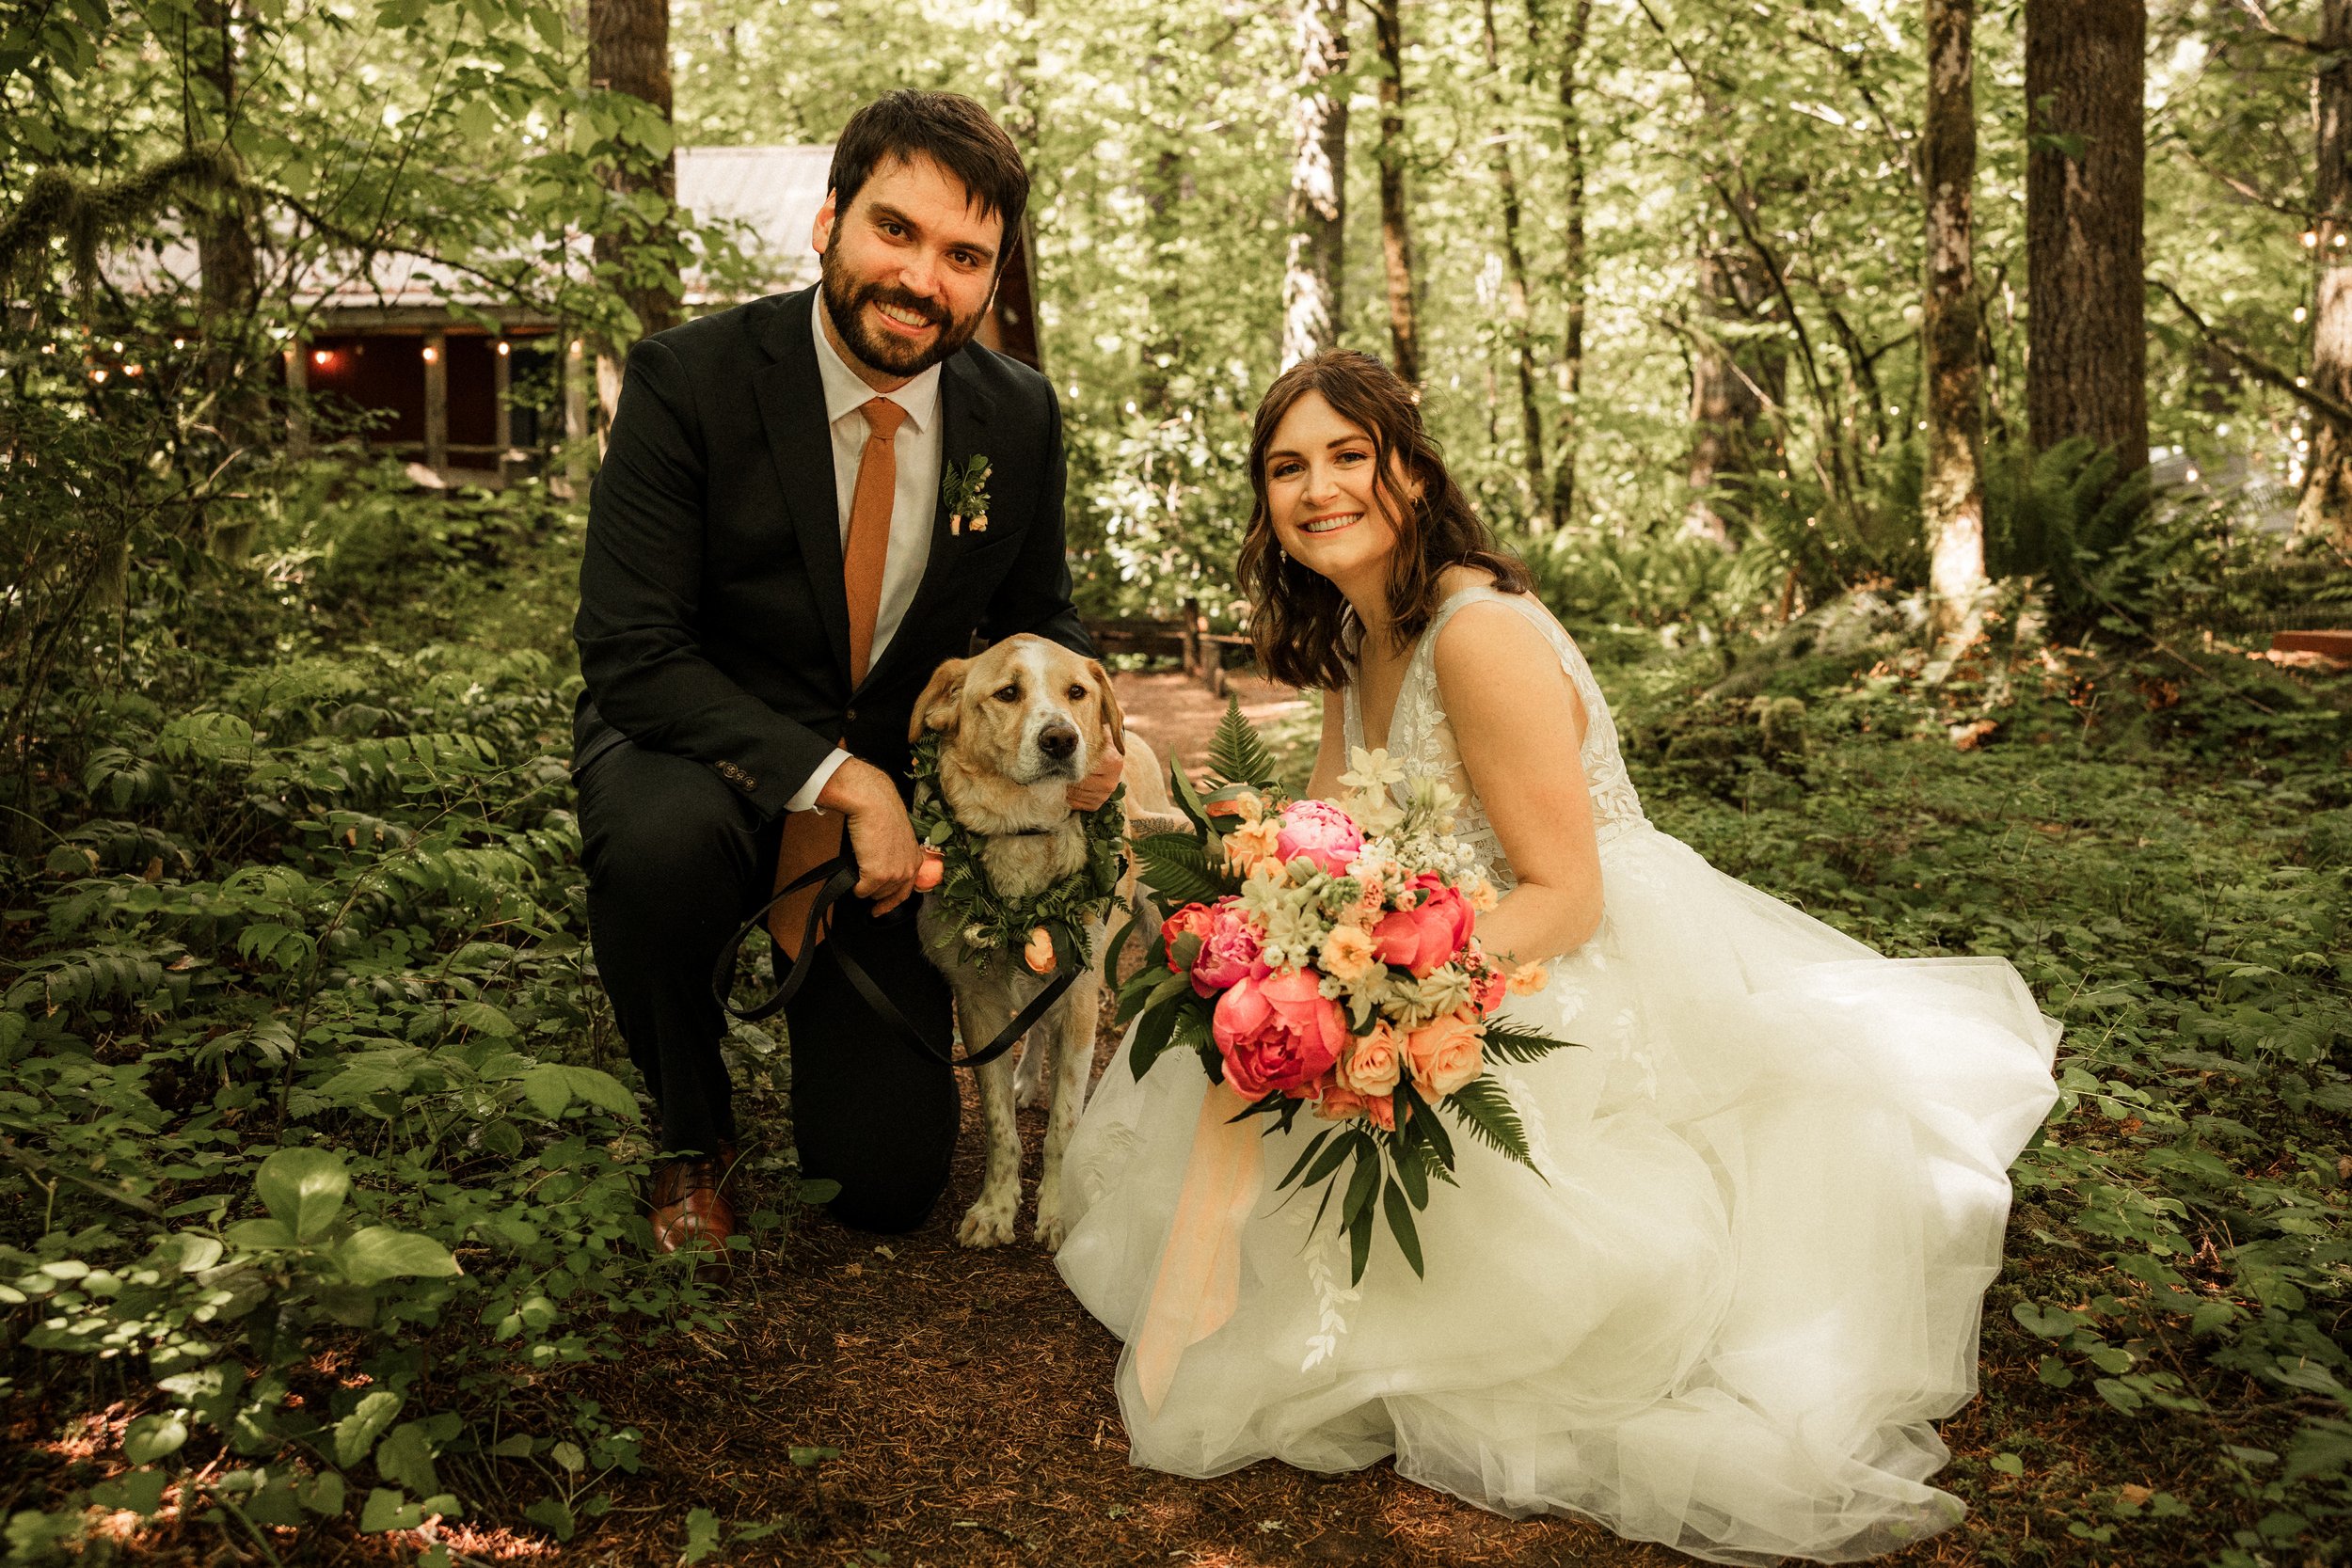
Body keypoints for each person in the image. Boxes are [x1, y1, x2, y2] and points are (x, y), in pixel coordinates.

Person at [1055, 351, 2060, 1564]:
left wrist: (1372, 982)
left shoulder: (1475, 635)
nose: (1315, 487)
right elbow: (1320, 845)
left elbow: (1568, 896)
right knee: (1245, 1041)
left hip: (1548, 951)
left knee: (1497, 1177)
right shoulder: (1356, 632)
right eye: (1285, 466)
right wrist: (1261, 919)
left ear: (1411, 474)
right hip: (1422, 932)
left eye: (1345, 455)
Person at [572, 90, 1117, 1262]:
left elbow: (1039, 615)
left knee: (877, 1181)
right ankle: (691, 1127)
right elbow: (631, 649)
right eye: (896, 231)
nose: (923, 278)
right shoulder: (690, 379)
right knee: (658, 841)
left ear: (991, 276)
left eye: (963, 255)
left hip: (895, 807)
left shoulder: (1014, 414)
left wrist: (1091, 720)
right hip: (701, 744)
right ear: (828, 221)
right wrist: (839, 779)